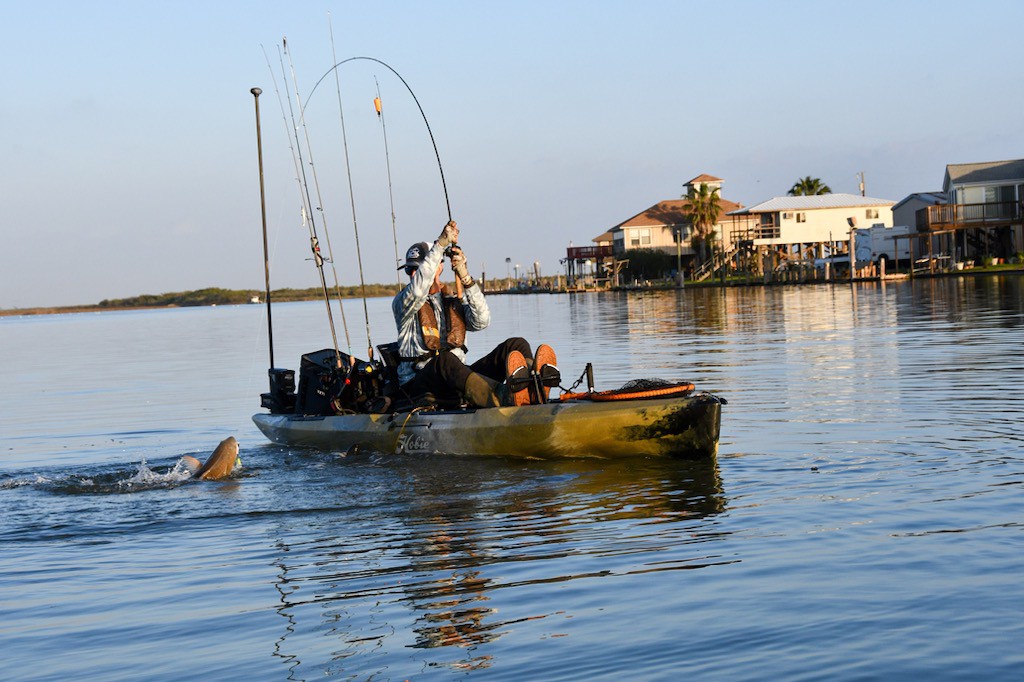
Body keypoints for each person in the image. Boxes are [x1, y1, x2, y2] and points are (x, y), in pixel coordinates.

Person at [392, 220, 557, 408]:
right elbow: (418, 290)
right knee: (444, 361)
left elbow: (482, 321)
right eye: (409, 270)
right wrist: (440, 245)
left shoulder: (452, 302)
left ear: (438, 267)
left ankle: (531, 391)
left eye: (417, 269)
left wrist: (465, 276)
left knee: (516, 345)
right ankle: (503, 398)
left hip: (457, 379)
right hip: (418, 384)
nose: (413, 275)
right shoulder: (403, 303)